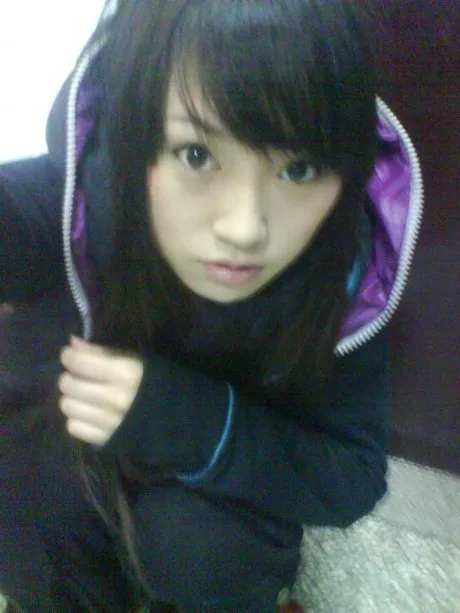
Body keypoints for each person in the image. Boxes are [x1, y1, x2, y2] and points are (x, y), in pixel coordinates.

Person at [0, 1, 424, 611]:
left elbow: (352, 477)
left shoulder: (345, 276)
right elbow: (20, 221)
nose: (244, 228)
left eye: (299, 167)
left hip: (217, 490)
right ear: (130, 133)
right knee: (23, 501)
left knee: (202, 553)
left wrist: (193, 424)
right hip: (82, 449)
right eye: (196, 154)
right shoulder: (94, 189)